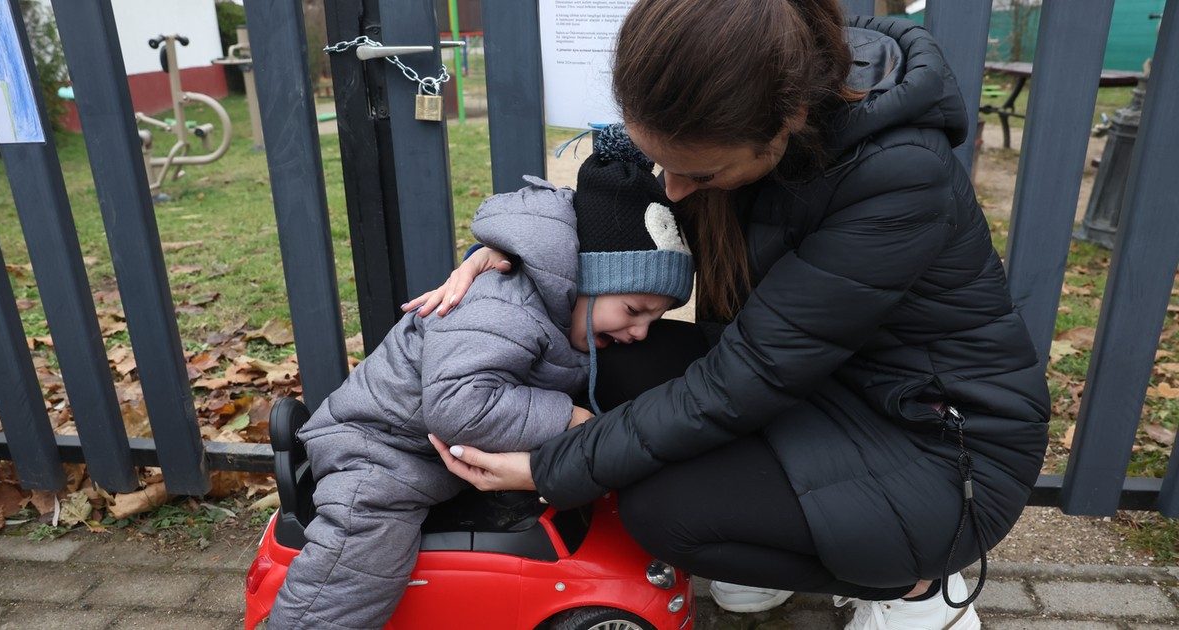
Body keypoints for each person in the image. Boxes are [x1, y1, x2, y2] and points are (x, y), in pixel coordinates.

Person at [415, 2, 1050, 629]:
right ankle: (784, 544)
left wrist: (549, 470)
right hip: (819, 385)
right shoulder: (731, 94)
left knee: (665, 513)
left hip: (935, 442)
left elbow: (748, 380)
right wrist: (506, 251)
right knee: (616, 356)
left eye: (700, 173)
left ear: (790, 121)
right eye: (665, 163)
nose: (673, 191)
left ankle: (914, 584)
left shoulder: (898, 174)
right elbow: (603, 206)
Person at [268, 135, 695, 629]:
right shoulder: (501, 307)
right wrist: (569, 419)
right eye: (634, 310)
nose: (640, 331)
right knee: (362, 555)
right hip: (376, 447)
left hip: (435, 450)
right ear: (584, 280)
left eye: (654, 316)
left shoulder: (564, 313)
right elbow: (458, 406)